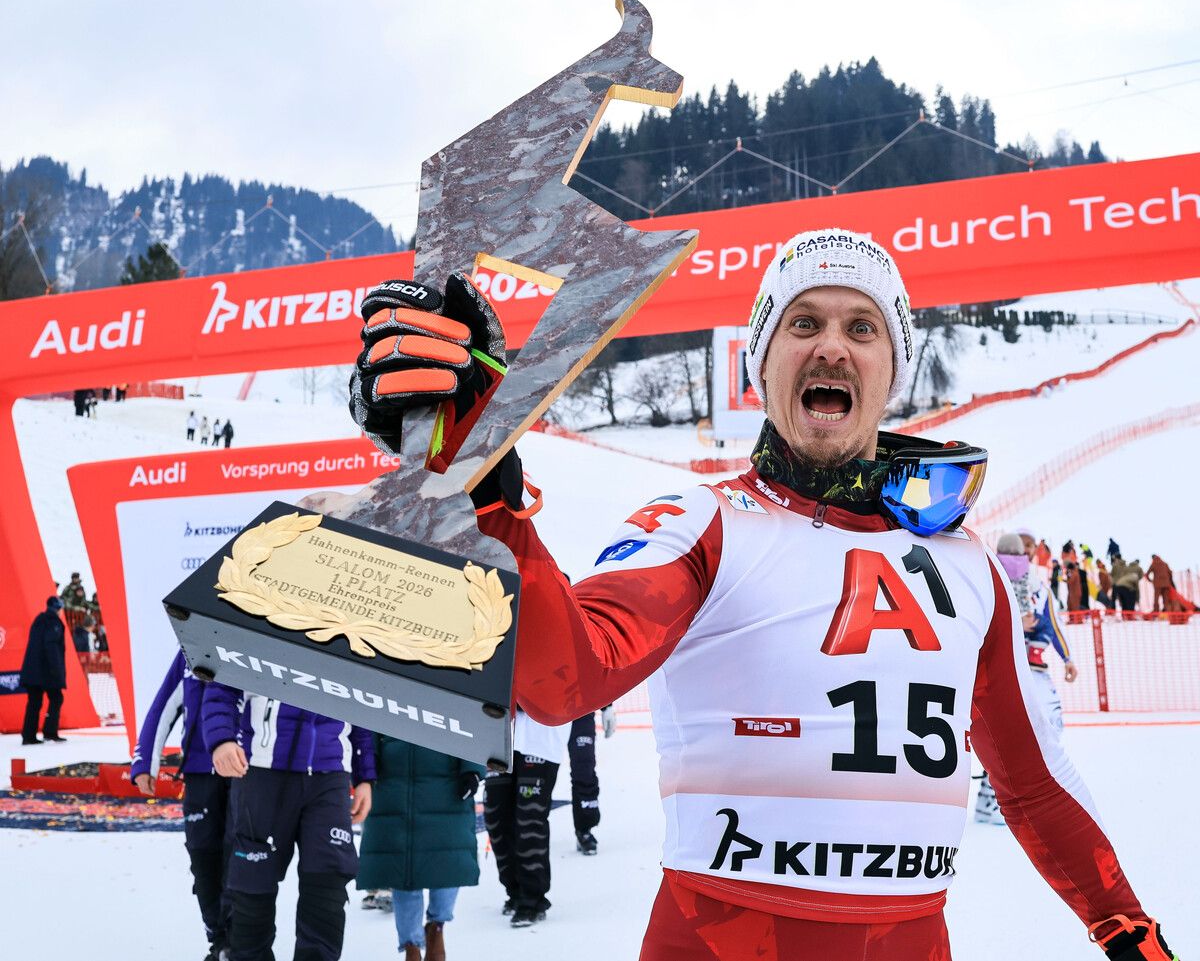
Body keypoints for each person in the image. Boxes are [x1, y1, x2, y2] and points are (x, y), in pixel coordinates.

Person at [346, 228, 1178, 960]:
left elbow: (1035, 783)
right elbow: (565, 678)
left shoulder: (967, 563)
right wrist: (482, 476)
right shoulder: (703, 523)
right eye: (802, 323)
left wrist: (1130, 930)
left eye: (862, 328)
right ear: (760, 362)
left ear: (893, 369)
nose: (832, 347)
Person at [203, 685, 375, 961]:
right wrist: (222, 738)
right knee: (252, 883)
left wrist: (365, 776)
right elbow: (222, 686)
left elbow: (362, 703)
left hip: (331, 775)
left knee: (328, 881)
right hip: (262, 770)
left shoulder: (356, 650)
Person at [131, 650, 231, 961]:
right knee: (203, 861)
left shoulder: (251, 640)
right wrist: (145, 762)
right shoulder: (189, 648)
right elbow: (163, 705)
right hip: (199, 774)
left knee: (241, 861)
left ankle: (241, 943)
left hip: (247, 773)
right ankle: (220, 943)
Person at [977, 533, 1079, 825]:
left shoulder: (1000, 579)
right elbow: (1051, 624)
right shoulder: (994, 579)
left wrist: (1067, 657)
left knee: (1015, 734)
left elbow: (1050, 622)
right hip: (1012, 667)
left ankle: (993, 799)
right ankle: (1000, 800)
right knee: (1025, 732)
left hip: (1010, 667)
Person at [356, 737, 484, 961]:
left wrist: (472, 769)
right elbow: (368, 730)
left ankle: (437, 926)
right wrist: (367, 767)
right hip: (393, 783)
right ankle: (411, 946)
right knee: (403, 872)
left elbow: (473, 724)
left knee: (448, 863)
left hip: (447, 783)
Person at [483, 709, 570, 928]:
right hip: (498, 731)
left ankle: (532, 900)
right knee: (496, 817)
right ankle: (514, 891)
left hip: (541, 735)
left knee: (529, 819)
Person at [567, 705, 617, 855]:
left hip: (579, 708)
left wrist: (607, 706)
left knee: (584, 768)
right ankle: (527, 825)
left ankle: (584, 829)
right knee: (536, 773)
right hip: (541, 709)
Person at [20, 596, 68, 745]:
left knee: (34, 702)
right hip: (46, 671)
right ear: (58, 609)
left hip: (32, 669)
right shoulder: (54, 623)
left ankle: (28, 735)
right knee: (56, 698)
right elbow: (51, 646)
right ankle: (50, 731)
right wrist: (57, 671)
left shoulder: (39, 620)